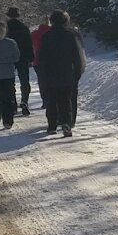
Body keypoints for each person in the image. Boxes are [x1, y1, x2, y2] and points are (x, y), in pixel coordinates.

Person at [35, 9, 86, 138]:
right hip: (67, 73)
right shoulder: (71, 35)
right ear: (65, 21)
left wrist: (43, 74)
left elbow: (42, 58)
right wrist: (77, 72)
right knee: (66, 101)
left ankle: (52, 126)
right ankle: (66, 124)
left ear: (52, 21)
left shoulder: (46, 36)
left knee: (51, 101)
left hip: (50, 74)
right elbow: (77, 56)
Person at [5, 7, 35, 116]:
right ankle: (24, 101)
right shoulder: (24, 28)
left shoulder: (6, 28)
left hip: (9, 59)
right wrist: (31, 58)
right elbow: (29, 44)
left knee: (10, 82)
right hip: (23, 57)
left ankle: (13, 104)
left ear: (8, 15)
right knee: (24, 81)